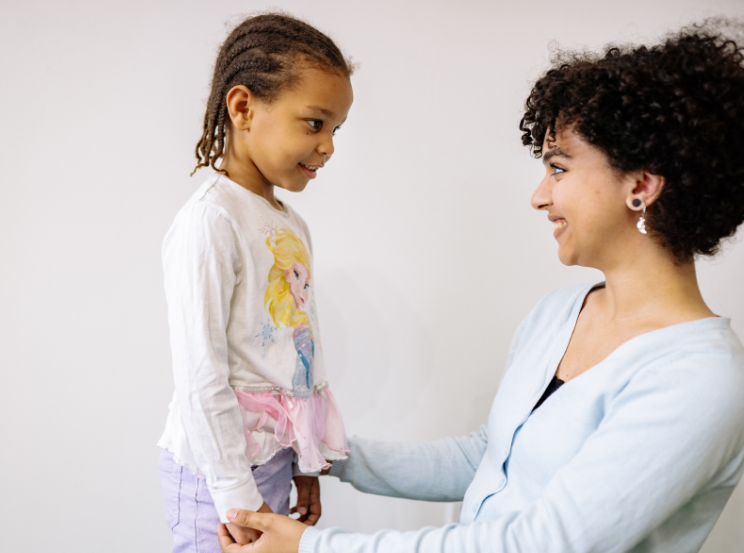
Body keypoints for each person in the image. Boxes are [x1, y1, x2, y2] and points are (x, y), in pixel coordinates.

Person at [217, 19, 744, 553]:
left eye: (558, 168)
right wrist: (317, 449)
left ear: (641, 185)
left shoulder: (700, 381)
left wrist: (309, 548)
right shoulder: (560, 314)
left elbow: (542, 544)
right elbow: (489, 458)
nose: (539, 196)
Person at [156, 13, 355, 552]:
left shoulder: (291, 223)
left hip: (270, 462)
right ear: (243, 107)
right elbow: (202, 374)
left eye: (336, 129)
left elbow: (290, 360)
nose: (329, 145)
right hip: (216, 478)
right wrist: (235, 497)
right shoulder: (211, 221)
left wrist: (304, 461)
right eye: (315, 123)